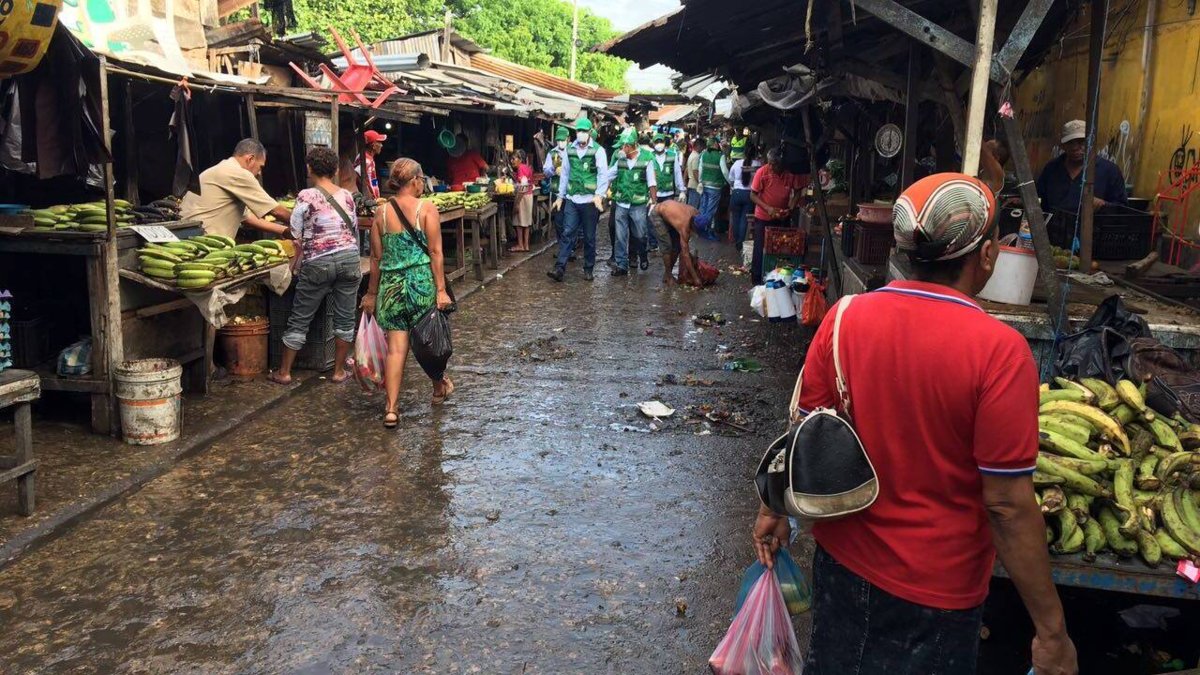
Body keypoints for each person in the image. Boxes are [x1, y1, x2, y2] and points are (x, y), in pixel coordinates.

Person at [753, 173, 1077, 675]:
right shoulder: (999, 352)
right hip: (939, 592)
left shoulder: (844, 317)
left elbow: (805, 432)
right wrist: (1052, 631)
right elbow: (1008, 507)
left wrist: (772, 509)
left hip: (844, 567)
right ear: (987, 255)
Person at [361, 158, 455, 428]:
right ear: (415, 181)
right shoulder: (427, 208)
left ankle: (391, 409)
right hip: (420, 285)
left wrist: (371, 294)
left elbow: (375, 258)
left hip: (391, 288)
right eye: (421, 179)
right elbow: (436, 253)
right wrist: (440, 290)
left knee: (396, 349)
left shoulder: (381, 213)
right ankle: (438, 387)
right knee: (429, 342)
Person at [268, 147, 362, 386]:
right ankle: (338, 371)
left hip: (318, 262)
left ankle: (285, 372)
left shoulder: (306, 196)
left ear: (309, 169)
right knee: (345, 319)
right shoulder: (347, 196)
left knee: (300, 317)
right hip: (350, 259)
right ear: (336, 170)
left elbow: (296, 233)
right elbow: (352, 226)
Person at [179, 138, 293, 240]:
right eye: (260, 167)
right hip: (204, 241)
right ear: (250, 159)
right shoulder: (237, 173)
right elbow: (275, 210)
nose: (259, 173)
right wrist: (305, 223)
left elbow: (247, 218)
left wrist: (283, 230)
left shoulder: (223, 168)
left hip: (190, 238)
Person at [548, 117, 608, 283]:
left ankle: (588, 268)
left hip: (590, 201)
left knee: (589, 237)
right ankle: (559, 268)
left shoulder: (598, 150)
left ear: (589, 132)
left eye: (583, 131)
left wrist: (599, 195)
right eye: (578, 131)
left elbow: (603, 174)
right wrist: (560, 197)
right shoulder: (569, 150)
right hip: (573, 199)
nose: (580, 134)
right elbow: (565, 174)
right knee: (567, 233)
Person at [1036, 120, 1128, 214]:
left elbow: (1122, 208)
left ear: (1091, 142)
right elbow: (1039, 200)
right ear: (1063, 145)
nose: (1075, 147)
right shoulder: (1052, 168)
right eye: (1070, 142)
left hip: (1093, 227)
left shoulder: (1109, 170)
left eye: (1081, 142)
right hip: (1054, 227)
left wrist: (1104, 204)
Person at [605, 128, 656, 276]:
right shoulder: (620, 160)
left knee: (640, 234)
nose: (621, 149)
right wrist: (600, 193)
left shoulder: (647, 158)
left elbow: (651, 182)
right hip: (621, 202)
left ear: (630, 145)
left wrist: (653, 203)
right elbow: (609, 176)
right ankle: (622, 265)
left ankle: (643, 254)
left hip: (638, 204)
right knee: (620, 236)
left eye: (623, 146)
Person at [749, 148, 803, 284]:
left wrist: (790, 207)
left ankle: (777, 278)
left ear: (782, 164)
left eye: (775, 164)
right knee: (760, 248)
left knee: (781, 249)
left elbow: (798, 191)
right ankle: (757, 280)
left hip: (782, 217)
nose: (771, 167)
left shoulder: (790, 174)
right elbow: (753, 195)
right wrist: (768, 208)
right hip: (763, 217)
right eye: (770, 163)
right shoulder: (762, 172)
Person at [648, 199, 703, 287]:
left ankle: (667, 274)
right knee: (667, 246)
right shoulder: (684, 226)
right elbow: (685, 254)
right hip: (657, 214)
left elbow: (683, 250)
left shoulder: (696, 213)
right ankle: (669, 276)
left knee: (677, 247)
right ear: (692, 226)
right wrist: (695, 278)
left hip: (668, 213)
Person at [650, 132, 685, 253]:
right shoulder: (650, 156)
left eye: (661, 142)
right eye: (657, 142)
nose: (659, 144)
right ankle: (654, 243)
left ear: (664, 144)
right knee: (653, 220)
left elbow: (677, 173)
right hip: (655, 195)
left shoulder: (672, 155)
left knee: (669, 220)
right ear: (653, 144)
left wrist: (682, 190)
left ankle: (669, 244)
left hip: (668, 194)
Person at [728, 143, 762, 254]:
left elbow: (730, 178)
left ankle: (737, 240)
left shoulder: (737, 163)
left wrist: (735, 186)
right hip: (749, 195)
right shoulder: (758, 164)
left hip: (736, 193)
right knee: (744, 220)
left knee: (736, 218)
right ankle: (740, 241)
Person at [694, 136, 729, 236]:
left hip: (704, 186)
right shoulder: (720, 156)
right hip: (716, 188)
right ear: (715, 145)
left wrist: (700, 181)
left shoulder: (703, 154)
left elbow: (700, 169)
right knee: (710, 211)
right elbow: (725, 172)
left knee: (703, 209)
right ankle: (705, 231)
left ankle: (699, 228)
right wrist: (731, 183)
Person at [511, 149, 535, 253]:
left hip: (523, 196)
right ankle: (526, 245)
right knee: (526, 222)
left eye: (513, 158)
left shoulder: (521, 168)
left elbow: (523, 187)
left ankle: (521, 245)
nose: (512, 161)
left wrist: (516, 203)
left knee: (519, 222)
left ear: (520, 159)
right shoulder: (527, 168)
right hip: (529, 196)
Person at [356, 130, 387, 199]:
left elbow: (372, 180)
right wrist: (375, 198)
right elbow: (369, 181)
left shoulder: (362, 156)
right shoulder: (368, 161)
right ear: (373, 145)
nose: (381, 145)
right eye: (379, 142)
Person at [685, 139, 703, 208]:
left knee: (690, 207)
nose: (702, 149)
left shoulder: (692, 155)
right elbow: (695, 172)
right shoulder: (696, 156)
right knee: (693, 208)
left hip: (691, 183)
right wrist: (700, 183)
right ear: (699, 146)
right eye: (702, 147)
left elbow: (687, 169)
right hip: (695, 185)